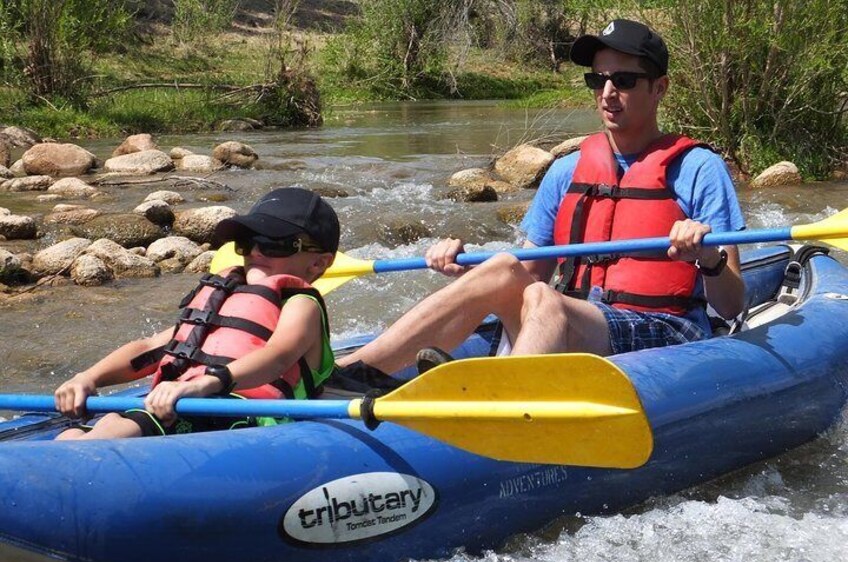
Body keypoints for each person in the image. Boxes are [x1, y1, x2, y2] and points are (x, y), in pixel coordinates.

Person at [339, 19, 746, 377]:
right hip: (577, 318)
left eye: (623, 80)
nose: (607, 92)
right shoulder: (566, 171)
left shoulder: (698, 168)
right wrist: (465, 274)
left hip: (666, 325)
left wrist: (707, 259)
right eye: (597, 80)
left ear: (659, 88)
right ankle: (354, 372)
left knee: (544, 300)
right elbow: (528, 276)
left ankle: (494, 403)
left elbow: (730, 305)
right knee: (502, 267)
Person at [54, 187, 340, 439]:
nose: (255, 252)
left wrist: (208, 383)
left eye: (273, 244)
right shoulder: (227, 295)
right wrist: (88, 378)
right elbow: (150, 349)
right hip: (188, 406)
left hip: (246, 420)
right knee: (82, 431)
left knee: (120, 430)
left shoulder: (301, 303)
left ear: (317, 264)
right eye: (246, 242)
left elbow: (278, 357)